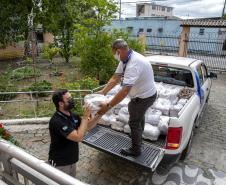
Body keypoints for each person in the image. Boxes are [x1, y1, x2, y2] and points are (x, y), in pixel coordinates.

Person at [97, 39, 157, 157]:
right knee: (138, 116)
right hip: (145, 95)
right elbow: (115, 78)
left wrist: (108, 106)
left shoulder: (134, 64)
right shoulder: (125, 59)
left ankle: (136, 149)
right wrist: (103, 92)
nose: (114, 55)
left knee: (134, 121)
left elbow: (124, 91)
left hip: (144, 97)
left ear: (118, 51)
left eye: (114, 53)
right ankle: (138, 137)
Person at [48, 89, 100, 177]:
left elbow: (86, 127)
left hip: (71, 160)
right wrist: (85, 117)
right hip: (60, 162)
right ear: (60, 104)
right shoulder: (57, 121)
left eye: (71, 97)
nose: (72, 100)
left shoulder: (73, 115)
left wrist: (100, 114)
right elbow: (78, 137)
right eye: (68, 99)